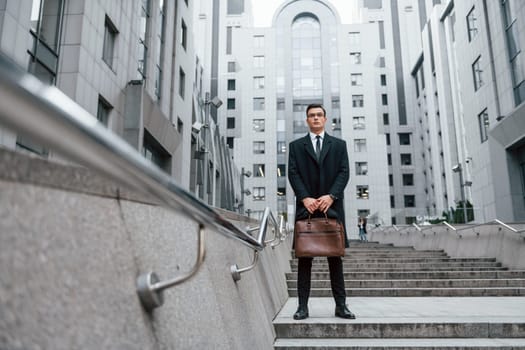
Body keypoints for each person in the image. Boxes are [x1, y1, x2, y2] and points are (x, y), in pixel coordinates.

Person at [288, 103, 355, 320]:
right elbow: (293, 173)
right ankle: (302, 307)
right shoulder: (296, 146)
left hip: (331, 208)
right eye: (311, 116)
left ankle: (341, 306)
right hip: (306, 209)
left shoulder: (339, 145)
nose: (315, 118)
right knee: (304, 260)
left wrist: (331, 196)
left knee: (335, 259)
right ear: (307, 120)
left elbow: (344, 173)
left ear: (325, 119)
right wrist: (305, 197)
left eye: (319, 115)